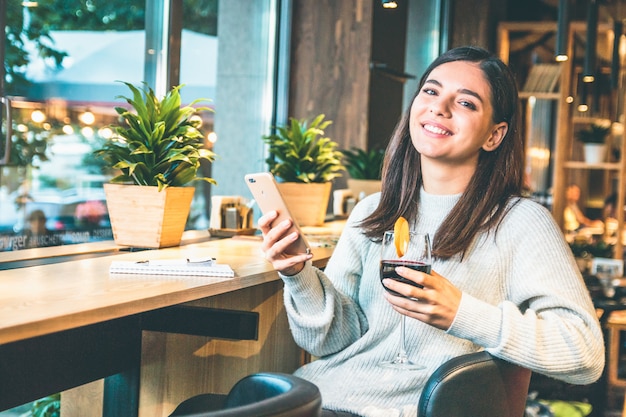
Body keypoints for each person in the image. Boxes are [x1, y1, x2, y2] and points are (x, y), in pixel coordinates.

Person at [258, 46, 604, 417]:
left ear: (494, 135)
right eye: (431, 91)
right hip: (324, 399)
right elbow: (330, 342)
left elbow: (584, 354)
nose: (440, 107)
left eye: (467, 103)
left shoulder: (520, 222)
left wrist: (461, 313)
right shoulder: (372, 212)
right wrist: (298, 274)